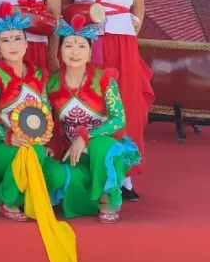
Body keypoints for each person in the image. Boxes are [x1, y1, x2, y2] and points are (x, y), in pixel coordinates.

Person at [59, 0, 152, 201]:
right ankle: (86, 168)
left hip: (121, 38)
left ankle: (124, 175)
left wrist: (135, 24)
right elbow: (64, 6)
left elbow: (139, 2)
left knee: (125, 101)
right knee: (88, 100)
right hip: (86, 42)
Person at [0, 3, 66, 222]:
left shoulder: (38, 76)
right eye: (5, 40)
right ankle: (3, 199)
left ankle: (21, 196)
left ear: (26, 44)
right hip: (0, 146)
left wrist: (43, 141)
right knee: (30, 153)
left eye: (17, 39)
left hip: (32, 145)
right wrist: (8, 136)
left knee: (56, 174)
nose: (13, 45)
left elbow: (45, 114)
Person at [47, 15, 141, 223]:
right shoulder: (52, 83)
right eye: (68, 45)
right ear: (60, 50)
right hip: (74, 153)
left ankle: (107, 196)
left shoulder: (103, 79)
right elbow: (46, 121)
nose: (75, 52)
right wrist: (47, 145)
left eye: (82, 46)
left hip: (104, 150)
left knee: (100, 147)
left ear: (90, 52)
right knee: (66, 180)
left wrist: (86, 138)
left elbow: (118, 119)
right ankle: (87, 197)